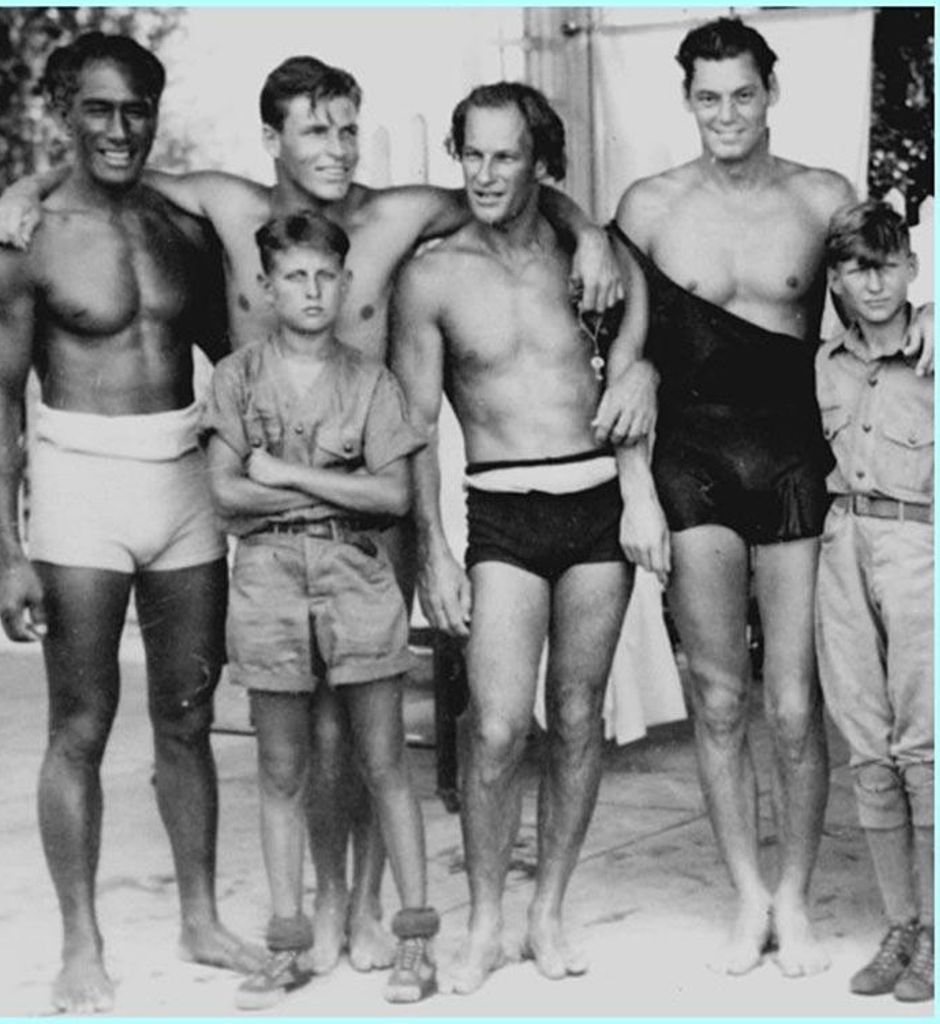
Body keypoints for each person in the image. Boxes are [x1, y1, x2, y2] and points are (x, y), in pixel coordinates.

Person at [0, 54, 650, 974]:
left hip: (369, 507)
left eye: (346, 128)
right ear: (272, 139)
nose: (336, 148)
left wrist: (589, 236)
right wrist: (23, 187)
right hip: (264, 518)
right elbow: (112, 165)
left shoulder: (397, 215)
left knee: (369, 724)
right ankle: (323, 903)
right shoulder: (227, 206)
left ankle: (367, 906)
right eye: (314, 130)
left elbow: (511, 188)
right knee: (300, 729)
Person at [606, 16, 932, 978]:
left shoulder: (821, 197)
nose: (727, 115)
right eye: (708, 97)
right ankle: (748, 896)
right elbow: (622, 354)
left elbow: (876, 298)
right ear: (687, 101)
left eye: (743, 94)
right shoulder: (650, 205)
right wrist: (635, 488)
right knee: (718, 699)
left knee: (794, 707)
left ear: (772, 93)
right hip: (692, 460)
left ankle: (795, 893)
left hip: (793, 458)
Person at [0, 32, 263, 1015]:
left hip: (180, 484)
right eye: (97, 108)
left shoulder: (182, 226)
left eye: (136, 109)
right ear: (64, 111)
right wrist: (8, 552)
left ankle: (199, 917)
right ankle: (80, 944)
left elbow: (235, 362)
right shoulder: (23, 238)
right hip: (80, 490)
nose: (119, 128)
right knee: (80, 725)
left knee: (187, 716)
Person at [391, 81, 667, 996]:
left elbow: (636, 340)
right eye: (471, 153)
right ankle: (484, 922)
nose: (483, 173)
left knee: (579, 717)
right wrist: (432, 550)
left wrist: (639, 376)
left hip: (596, 508)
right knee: (500, 726)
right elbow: (416, 428)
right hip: (502, 514)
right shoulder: (432, 275)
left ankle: (547, 908)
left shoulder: (588, 255)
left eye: (504, 156)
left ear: (539, 162)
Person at [203, 210, 440, 1007]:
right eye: (294, 277)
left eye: (324, 277)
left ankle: (414, 938)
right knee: (280, 769)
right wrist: (328, 489)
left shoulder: (371, 382)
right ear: (266, 288)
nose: (311, 291)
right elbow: (225, 492)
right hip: (267, 581)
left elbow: (393, 494)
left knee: (385, 761)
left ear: (344, 285)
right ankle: (287, 943)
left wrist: (285, 475)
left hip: (356, 576)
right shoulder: (238, 377)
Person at [815, 201, 933, 1002]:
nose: (877, 283)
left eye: (889, 265)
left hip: (919, 545)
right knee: (868, 745)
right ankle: (903, 925)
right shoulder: (823, 363)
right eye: (859, 268)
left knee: (926, 748)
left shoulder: (933, 349)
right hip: (842, 544)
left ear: (912, 268)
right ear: (836, 279)